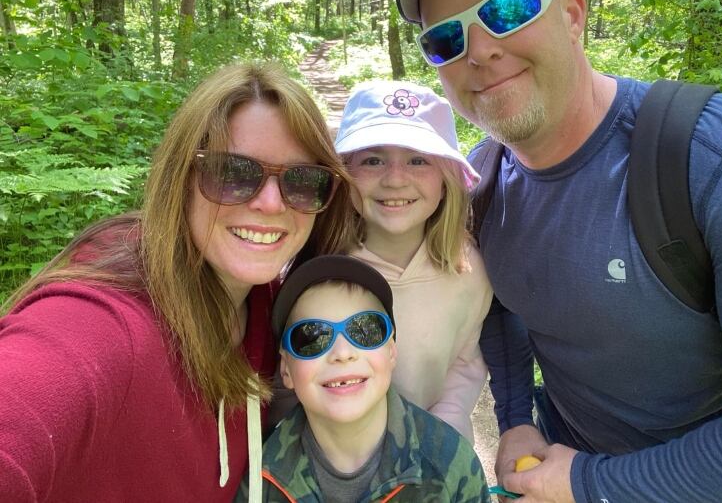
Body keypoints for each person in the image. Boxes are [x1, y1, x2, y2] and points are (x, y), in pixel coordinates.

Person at [394, 0, 722, 503]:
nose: (480, 50)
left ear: (572, 12)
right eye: (446, 38)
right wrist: (518, 413)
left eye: (508, 8)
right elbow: (498, 304)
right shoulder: (478, 187)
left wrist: (587, 483)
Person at [0, 62, 352, 503]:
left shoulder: (270, 306)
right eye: (232, 173)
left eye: (302, 181)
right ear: (180, 179)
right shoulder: (105, 324)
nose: (270, 203)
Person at [253, 254, 491, 502]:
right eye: (312, 338)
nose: (343, 353)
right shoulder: (262, 478)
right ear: (286, 370)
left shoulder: (451, 465)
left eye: (365, 330)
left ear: (391, 352)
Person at [333, 80, 493, 442]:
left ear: (447, 178)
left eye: (418, 160)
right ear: (345, 173)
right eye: (372, 160)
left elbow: (464, 362)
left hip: (434, 453)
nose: (394, 180)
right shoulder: (321, 271)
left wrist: (445, 426)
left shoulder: (468, 271)